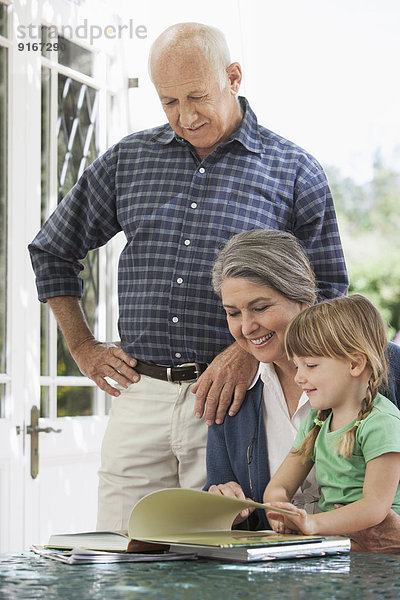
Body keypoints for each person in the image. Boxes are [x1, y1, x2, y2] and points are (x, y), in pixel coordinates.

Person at [28, 23, 348, 531]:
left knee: (216, 550)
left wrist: (247, 351)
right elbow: (52, 250)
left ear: (233, 78)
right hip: (140, 393)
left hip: (236, 398)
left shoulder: (294, 171)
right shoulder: (128, 160)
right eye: (169, 102)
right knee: (123, 550)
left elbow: (329, 292)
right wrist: (84, 347)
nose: (186, 116)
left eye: (197, 97)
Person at [206, 229, 400, 551]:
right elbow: (225, 501)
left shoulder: (386, 367)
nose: (246, 327)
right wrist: (223, 507)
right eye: (233, 313)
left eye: (260, 307)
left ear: (302, 295)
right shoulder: (231, 386)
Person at [263, 295, 400, 551]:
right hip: (339, 549)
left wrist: (312, 524)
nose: (299, 378)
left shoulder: (382, 423)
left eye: (311, 365)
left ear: (355, 363)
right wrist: (279, 507)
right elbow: (280, 485)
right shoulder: (317, 421)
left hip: (380, 558)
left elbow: (375, 507)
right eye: (297, 367)